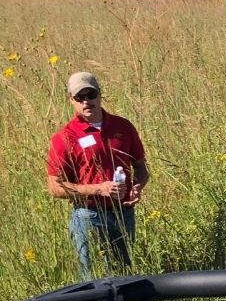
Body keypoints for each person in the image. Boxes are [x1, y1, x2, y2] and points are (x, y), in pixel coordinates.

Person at [46, 71, 150, 275]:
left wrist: (137, 187)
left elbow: (140, 166)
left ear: (100, 95)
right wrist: (97, 189)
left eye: (90, 94)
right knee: (92, 280)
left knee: (123, 275)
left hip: (124, 214)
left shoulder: (123, 127)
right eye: (79, 97)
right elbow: (54, 186)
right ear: (71, 100)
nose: (86, 101)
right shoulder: (64, 137)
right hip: (89, 216)